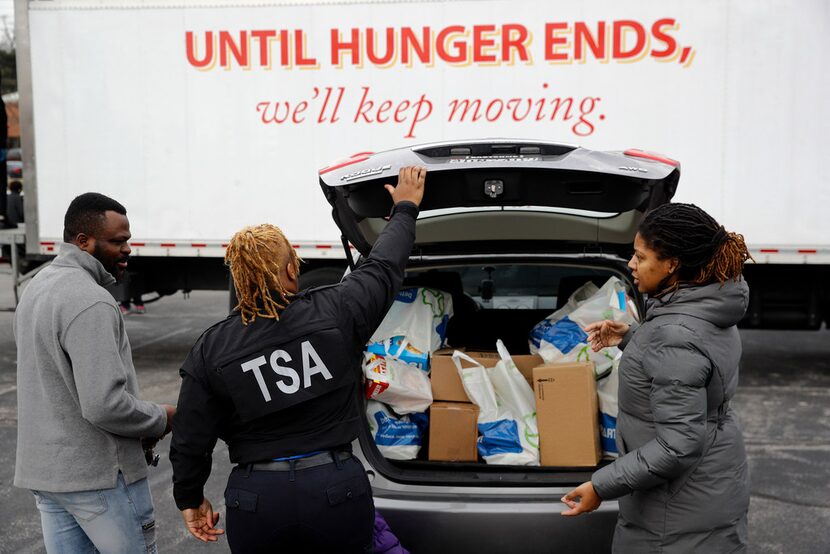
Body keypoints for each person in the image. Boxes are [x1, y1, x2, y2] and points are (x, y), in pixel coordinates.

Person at [170, 166, 426, 552]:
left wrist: (189, 499)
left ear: (239, 279)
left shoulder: (211, 348)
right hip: (335, 492)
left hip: (256, 501)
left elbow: (191, 438)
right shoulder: (339, 310)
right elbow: (383, 266)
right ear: (291, 268)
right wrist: (405, 207)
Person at [561, 202, 752, 553]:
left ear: (672, 265)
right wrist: (634, 337)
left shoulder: (674, 334)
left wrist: (601, 486)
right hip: (704, 489)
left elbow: (678, 445)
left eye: (640, 257)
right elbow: (688, 365)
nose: (631, 265)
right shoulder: (709, 305)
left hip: (676, 516)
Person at [14, 192, 176, 553]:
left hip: (50, 477)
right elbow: (105, 405)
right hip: (100, 479)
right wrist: (161, 417)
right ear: (84, 242)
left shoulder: (37, 288)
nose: (128, 249)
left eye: (128, 240)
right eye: (118, 241)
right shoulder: (91, 301)